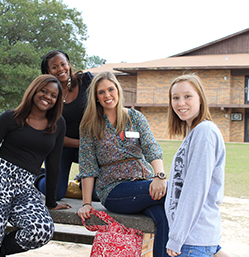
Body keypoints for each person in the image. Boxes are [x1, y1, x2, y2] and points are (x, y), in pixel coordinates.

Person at [0, 74, 67, 256]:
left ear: (57, 100)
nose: (48, 97)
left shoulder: (58, 124)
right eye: (44, 91)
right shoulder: (11, 117)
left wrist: (51, 201)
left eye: (53, 95)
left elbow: (54, 164)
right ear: (34, 90)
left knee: (41, 230)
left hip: (25, 188)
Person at [77, 71, 169, 257]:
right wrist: (87, 203)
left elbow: (151, 147)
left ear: (118, 90)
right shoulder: (90, 125)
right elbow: (87, 166)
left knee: (163, 218)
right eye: (101, 92)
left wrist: (159, 176)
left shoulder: (135, 117)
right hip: (114, 190)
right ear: (96, 97)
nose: (107, 95)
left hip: (145, 182)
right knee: (176, 192)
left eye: (110, 89)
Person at [166, 74, 227, 257]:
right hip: (196, 238)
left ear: (200, 98)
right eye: (175, 98)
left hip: (191, 242)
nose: (180, 103)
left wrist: (177, 238)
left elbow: (195, 189)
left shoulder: (204, 132)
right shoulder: (195, 133)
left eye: (187, 96)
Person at [36, 49, 94, 201]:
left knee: (99, 193)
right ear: (48, 71)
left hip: (91, 147)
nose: (60, 69)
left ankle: (81, 181)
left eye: (63, 64)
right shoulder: (46, 94)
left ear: (68, 64)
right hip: (61, 147)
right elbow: (50, 132)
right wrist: (82, 143)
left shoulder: (86, 81)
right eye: (54, 67)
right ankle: (37, 176)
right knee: (55, 194)